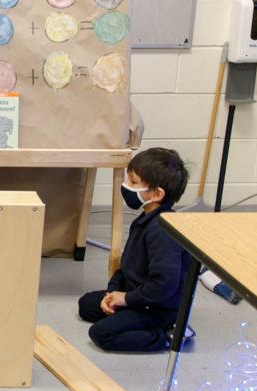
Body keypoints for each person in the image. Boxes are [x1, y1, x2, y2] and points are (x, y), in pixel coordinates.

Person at [77, 147, 191, 351]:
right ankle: (127, 315)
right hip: (136, 295)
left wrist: (127, 299)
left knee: (101, 334)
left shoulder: (163, 232)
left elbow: (164, 285)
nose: (126, 186)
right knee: (87, 304)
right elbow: (126, 266)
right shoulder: (144, 220)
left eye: (134, 182)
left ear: (156, 194)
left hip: (156, 307)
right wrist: (113, 293)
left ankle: (167, 336)